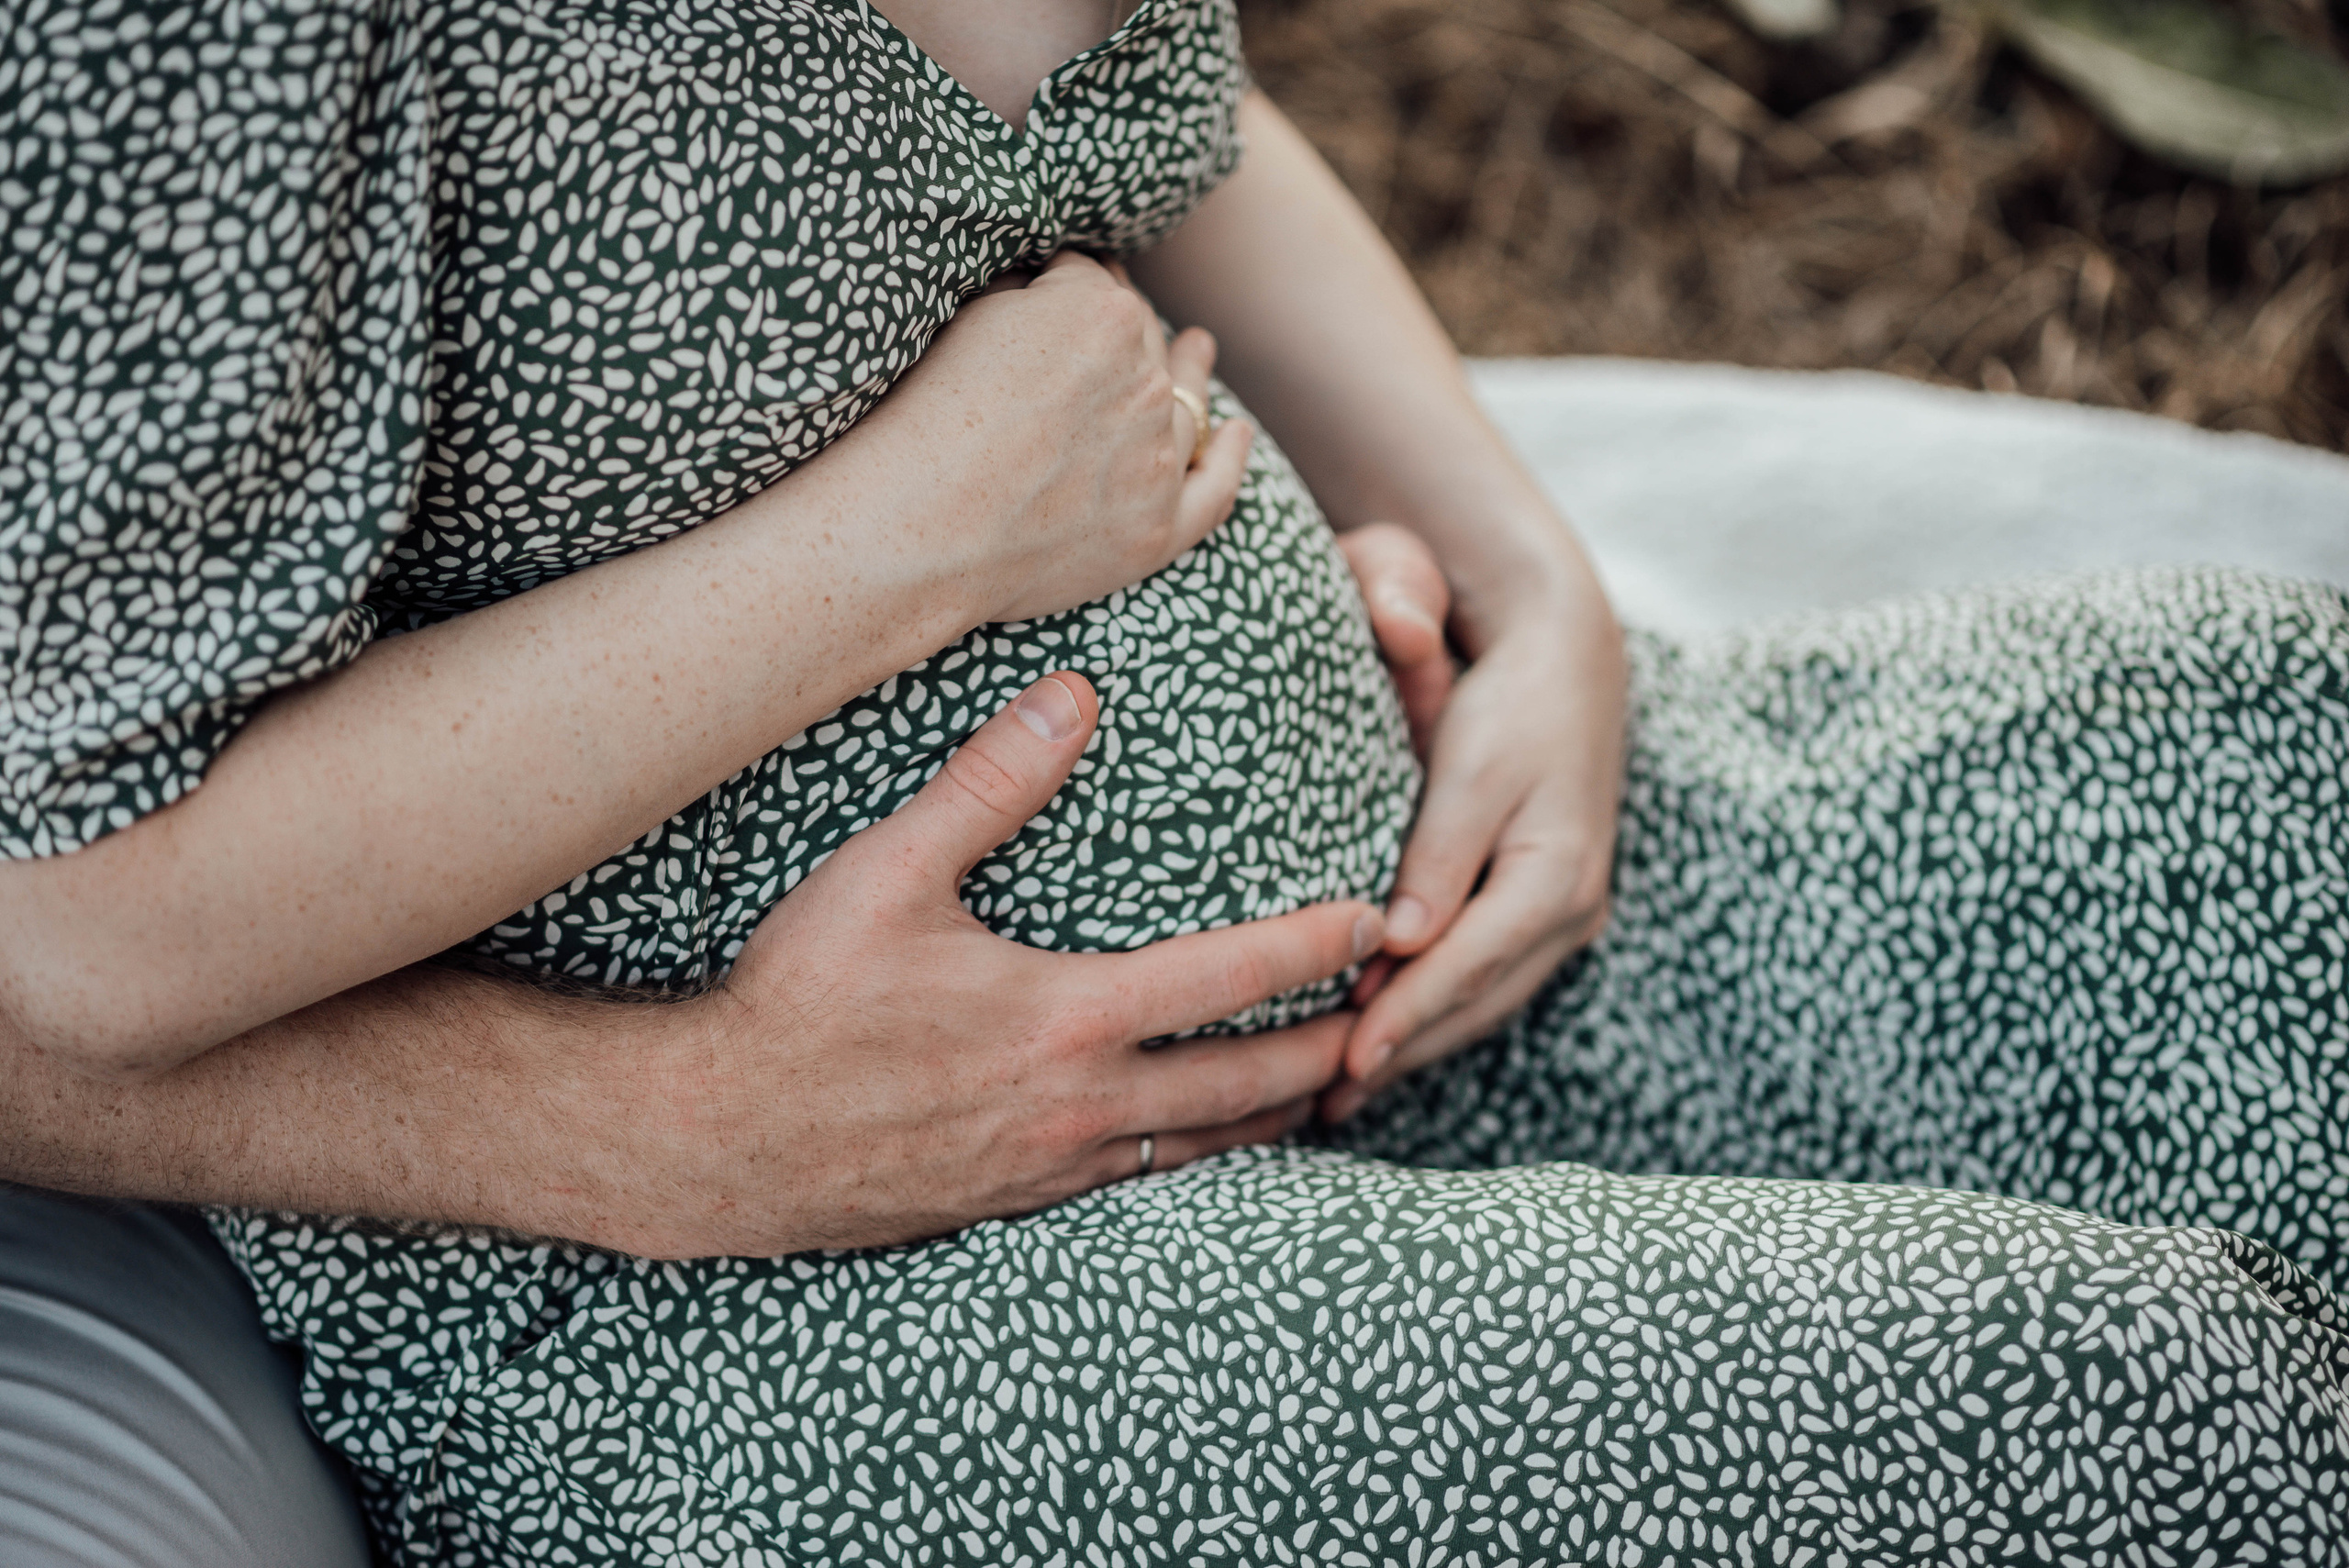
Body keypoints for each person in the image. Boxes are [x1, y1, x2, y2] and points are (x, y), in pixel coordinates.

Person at [4, 0, 2346, 1562]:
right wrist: (903, 547)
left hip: (1396, 924)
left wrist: (1540, 593)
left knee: (2288, 777)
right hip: (764, 1283)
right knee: (2143, 1406)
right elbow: (75, 917)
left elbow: (1142, 111)